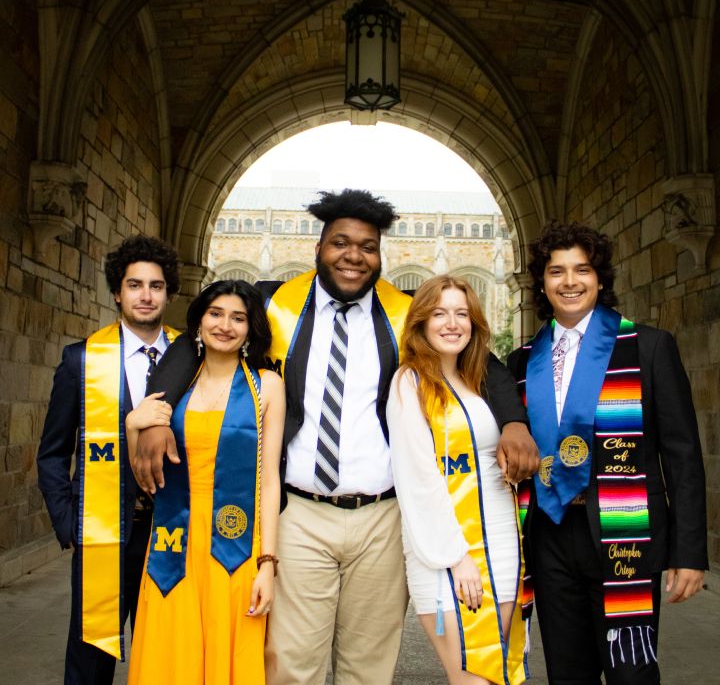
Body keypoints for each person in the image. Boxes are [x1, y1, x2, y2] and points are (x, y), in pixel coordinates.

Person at [134, 189, 537, 685]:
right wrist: (156, 412)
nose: (354, 255)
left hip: (383, 517)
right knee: (289, 664)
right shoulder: (273, 302)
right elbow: (194, 341)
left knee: (368, 668)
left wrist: (514, 421)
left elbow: (485, 363)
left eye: (367, 246)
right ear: (319, 247)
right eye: (340, 242)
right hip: (300, 512)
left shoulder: (404, 312)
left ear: (380, 255)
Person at [506, 221, 708, 685]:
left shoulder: (648, 347)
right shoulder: (522, 361)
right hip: (551, 534)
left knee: (631, 674)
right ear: (542, 282)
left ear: (600, 278)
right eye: (557, 272)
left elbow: (682, 455)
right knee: (567, 674)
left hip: (624, 534)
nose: (570, 281)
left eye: (582, 270)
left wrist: (689, 552)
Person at [37, 235, 181, 684]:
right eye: (134, 285)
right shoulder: (81, 360)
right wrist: (69, 525)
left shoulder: (192, 357)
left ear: (168, 294)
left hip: (174, 531)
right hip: (102, 532)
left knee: (168, 656)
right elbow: (53, 452)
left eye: (156, 286)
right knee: (89, 657)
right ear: (117, 292)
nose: (145, 295)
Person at [125, 279, 285, 683]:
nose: (225, 326)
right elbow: (141, 467)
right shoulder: (173, 388)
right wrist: (132, 424)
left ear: (251, 329)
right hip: (173, 542)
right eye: (216, 314)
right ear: (198, 322)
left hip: (236, 547)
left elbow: (269, 479)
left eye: (238, 318)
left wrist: (267, 563)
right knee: (173, 658)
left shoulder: (267, 386)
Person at [387, 276, 531, 685]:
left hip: (503, 546)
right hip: (447, 552)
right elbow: (417, 479)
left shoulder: (479, 381)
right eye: (439, 314)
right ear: (421, 323)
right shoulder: (409, 384)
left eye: (461, 314)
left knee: (495, 674)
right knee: (472, 678)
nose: (452, 324)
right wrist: (457, 557)